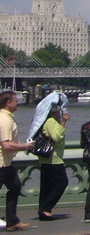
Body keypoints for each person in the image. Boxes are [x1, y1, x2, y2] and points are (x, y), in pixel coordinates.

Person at [0, 91, 34, 231]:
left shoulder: (6, 118)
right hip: (1, 163)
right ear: (9, 103)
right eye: (15, 100)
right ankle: (12, 221)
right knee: (14, 187)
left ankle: (12, 221)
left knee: (15, 187)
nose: (17, 102)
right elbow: (6, 145)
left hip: (6, 163)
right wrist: (24, 146)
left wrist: (17, 143)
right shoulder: (5, 120)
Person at [36, 102, 71, 220]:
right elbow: (56, 137)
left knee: (46, 186)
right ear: (54, 112)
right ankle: (46, 208)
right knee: (62, 182)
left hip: (46, 158)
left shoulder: (45, 121)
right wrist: (63, 123)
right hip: (53, 158)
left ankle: (43, 210)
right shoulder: (50, 121)